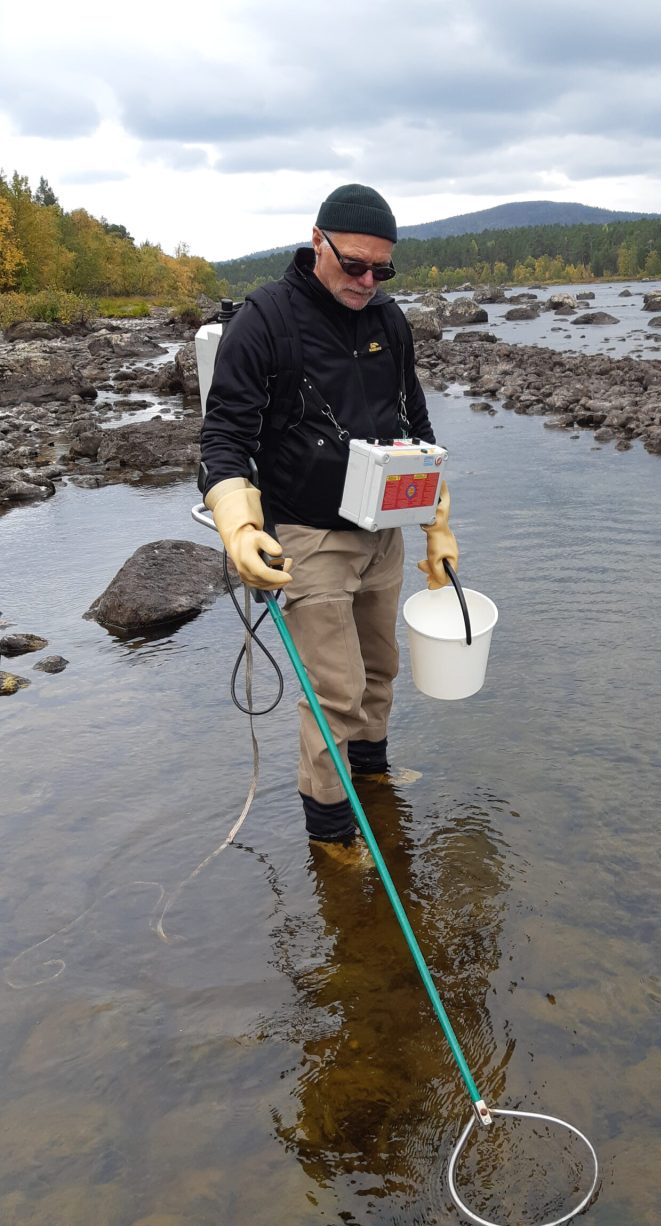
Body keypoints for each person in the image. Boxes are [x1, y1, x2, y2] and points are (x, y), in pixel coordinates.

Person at [199, 183, 457, 848]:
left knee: (380, 671)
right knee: (334, 693)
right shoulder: (265, 321)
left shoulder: (387, 321)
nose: (367, 280)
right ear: (318, 242)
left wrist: (437, 524)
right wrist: (239, 523)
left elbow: (418, 424)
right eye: (354, 265)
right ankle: (333, 838)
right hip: (308, 538)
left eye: (382, 269)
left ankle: (371, 782)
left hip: (384, 529)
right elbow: (223, 435)